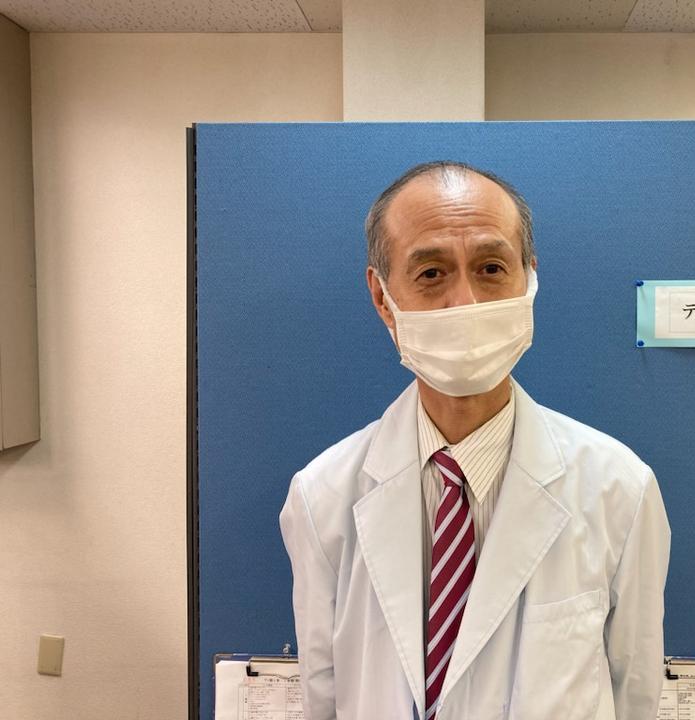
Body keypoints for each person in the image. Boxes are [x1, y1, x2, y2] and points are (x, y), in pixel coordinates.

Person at [279, 161, 671, 720]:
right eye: (431, 273)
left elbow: (635, 693)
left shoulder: (619, 489)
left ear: (528, 280)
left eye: (491, 268)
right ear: (382, 297)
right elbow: (325, 697)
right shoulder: (321, 498)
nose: (465, 302)